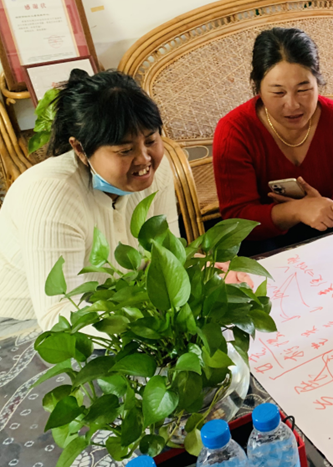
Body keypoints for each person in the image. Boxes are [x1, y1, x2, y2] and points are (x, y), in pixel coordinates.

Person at [0, 70, 249, 330]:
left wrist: (205, 270)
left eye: (151, 140)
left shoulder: (156, 170)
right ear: (79, 149)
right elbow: (57, 315)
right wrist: (148, 328)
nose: (144, 159)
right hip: (25, 324)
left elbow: (164, 255)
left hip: (114, 307)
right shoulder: (51, 193)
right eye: (125, 150)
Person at [213, 28, 333, 255]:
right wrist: (297, 210)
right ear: (257, 88)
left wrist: (324, 210)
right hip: (267, 239)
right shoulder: (235, 130)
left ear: (318, 84)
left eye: (304, 90)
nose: (292, 105)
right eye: (278, 93)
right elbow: (237, 220)